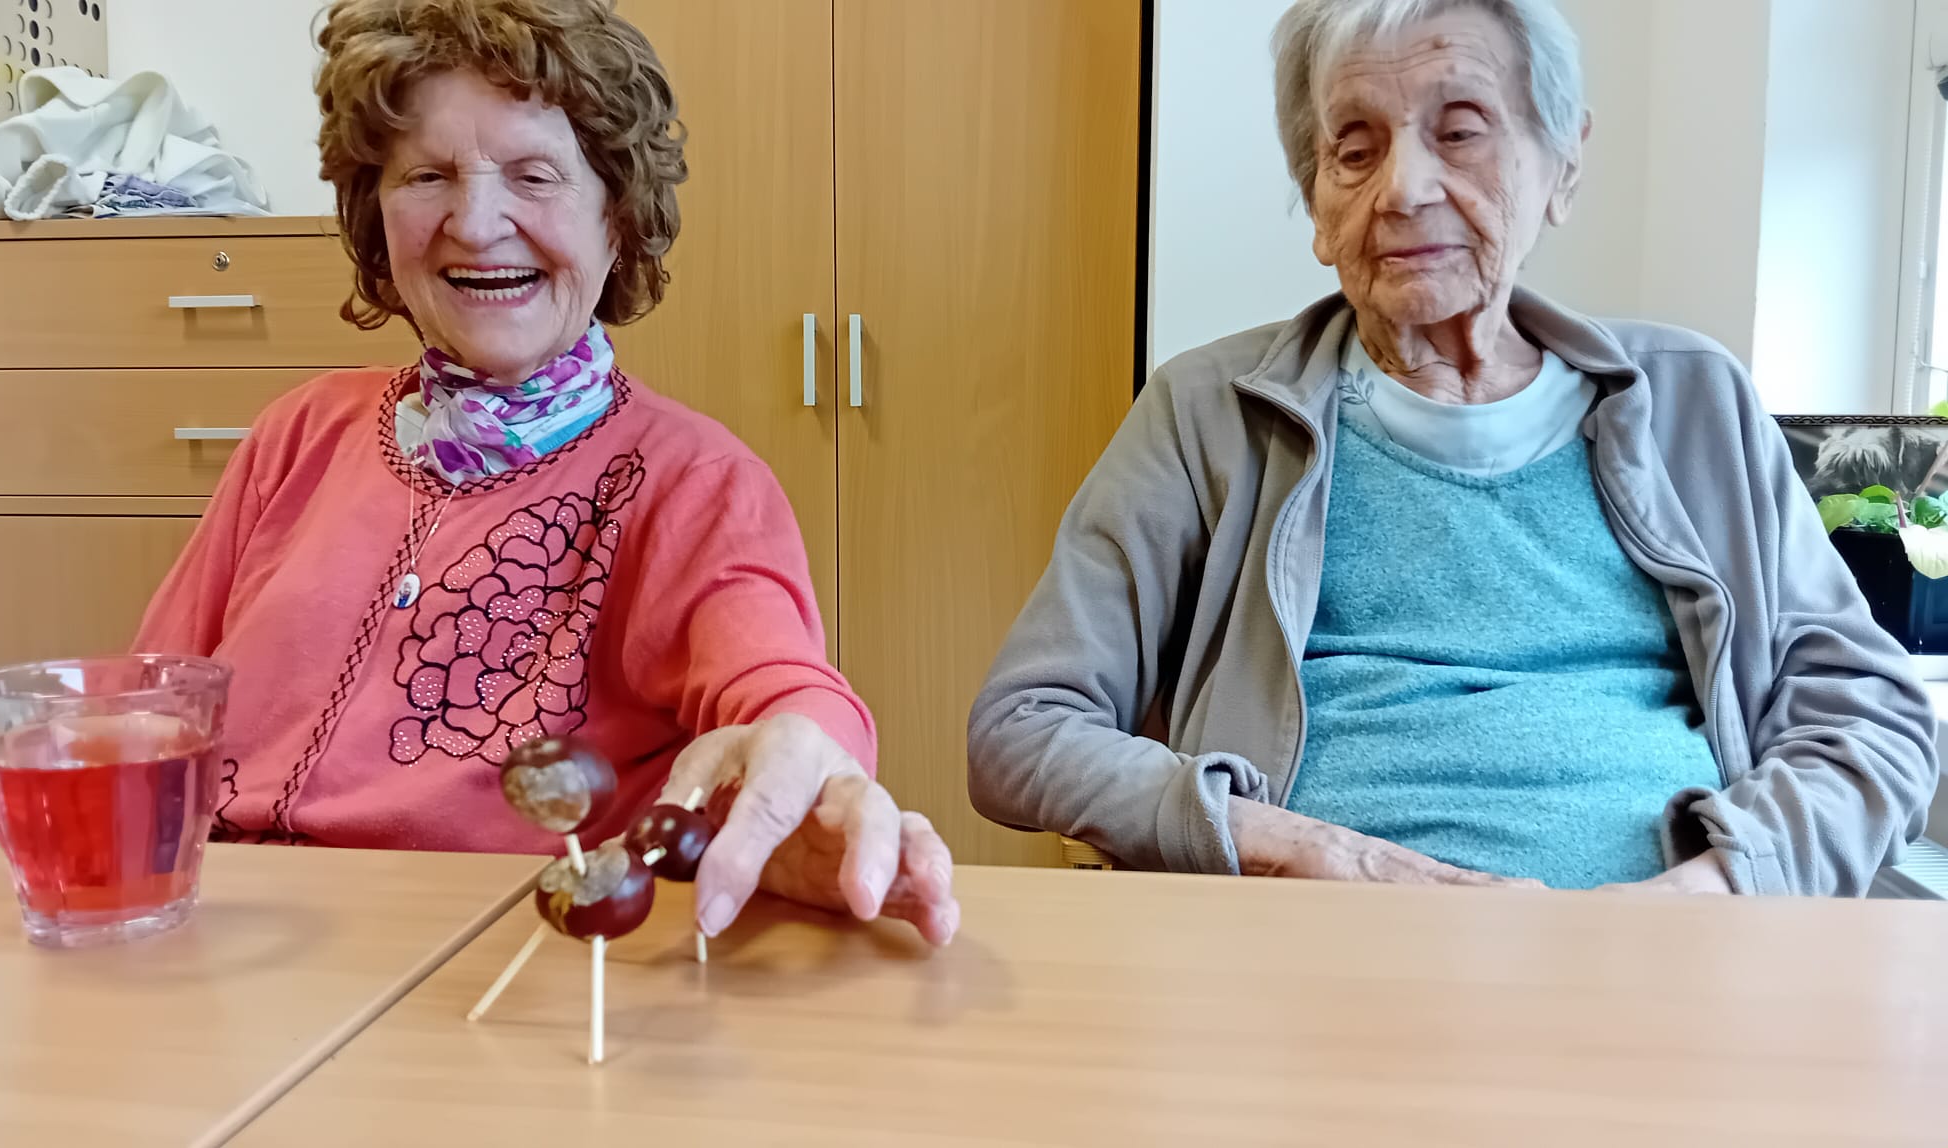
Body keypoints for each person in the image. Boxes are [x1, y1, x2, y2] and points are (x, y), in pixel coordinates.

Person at [968, 0, 1939, 895]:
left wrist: (1708, 892)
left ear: (1563, 164)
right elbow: (1022, 727)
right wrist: (1297, 847)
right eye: (1355, 150)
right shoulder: (1207, 412)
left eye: (1461, 131)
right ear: (1317, 202)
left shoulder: (1692, 402)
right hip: (1308, 960)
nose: (1403, 188)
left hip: (1663, 962)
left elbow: (1875, 719)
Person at [136, 0, 957, 945]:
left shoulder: (693, 481)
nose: (477, 224)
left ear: (618, 217)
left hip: (483, 966)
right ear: (376, 212)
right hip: (209, 945)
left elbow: (780, 684)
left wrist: (811, 753)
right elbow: (150, 707)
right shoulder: (300, 432)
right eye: (428, 176)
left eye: (533, 176)